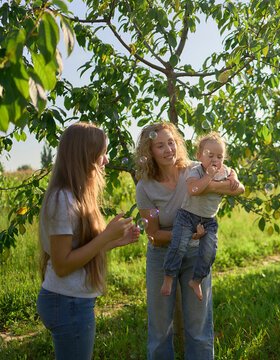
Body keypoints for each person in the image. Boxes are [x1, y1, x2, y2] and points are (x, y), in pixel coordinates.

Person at [135, 122, 241, 360]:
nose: (168, 149)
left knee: (199, 327)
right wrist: (184, 234)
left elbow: (232, 185)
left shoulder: (194, 170)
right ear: (149, 152)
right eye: (159, 145)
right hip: (162, 257)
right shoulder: (145, 188)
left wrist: (224, 181)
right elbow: (153, 234)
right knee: (160, 328)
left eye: (171, 142)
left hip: (194, 252)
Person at [36, 122, 140, 360]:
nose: (106, 160)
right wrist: (105, 236)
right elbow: (62, 265)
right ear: (85, 156)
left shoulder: (76, 196)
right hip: (67, 302)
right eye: (102, 153)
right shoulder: (63, 199)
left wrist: (112, 241)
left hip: (70, 300)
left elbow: (78, 251)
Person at [160, 132, 244, 301]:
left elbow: (239, 188)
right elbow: (193, 190)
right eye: (210, 155)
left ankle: (196, 280)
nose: (215, 160)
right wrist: (211, 179)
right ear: (199, 156)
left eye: (219, 156)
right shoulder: (196, 170)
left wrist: (233, 177)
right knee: (179, 245)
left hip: (209, 220)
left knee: (209, 251)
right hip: (187, 216)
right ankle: (169, 277)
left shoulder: (224, 171)